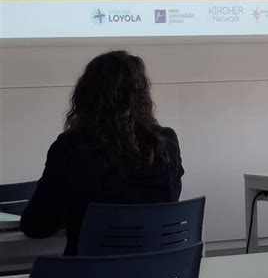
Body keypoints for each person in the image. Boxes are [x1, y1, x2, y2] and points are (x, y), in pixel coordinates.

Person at [21, 50, 184, 254]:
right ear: (142, 97)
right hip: (158, 270)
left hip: (89, 273)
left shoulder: (70, 147)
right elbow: (169, 201)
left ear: (85, 96)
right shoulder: (166, 143)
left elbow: (36, 226)